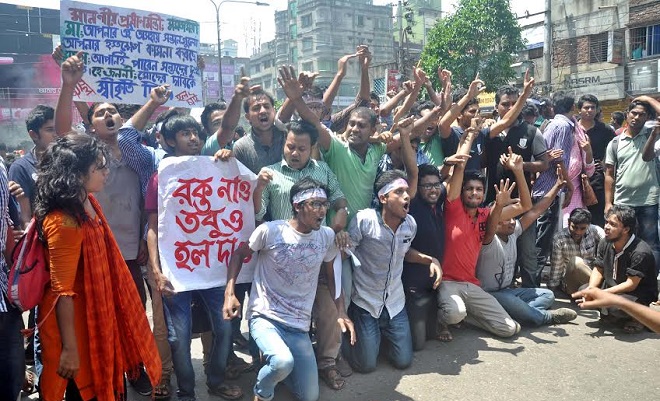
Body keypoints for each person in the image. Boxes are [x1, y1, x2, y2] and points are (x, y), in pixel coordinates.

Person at [34, 134, 161, 401]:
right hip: (73, 333)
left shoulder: (88, 203)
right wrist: (69, 349)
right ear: (78, 174)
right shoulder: (63, 222)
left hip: (97, 320)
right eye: (99, 167)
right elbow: (62, 292)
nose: (106, 172)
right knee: (82, 392)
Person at [224, 177, 355, 401]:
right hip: (266, 317)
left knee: (309, 396)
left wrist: (340, 311)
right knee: (283, 362)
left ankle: (277, 365)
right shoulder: (270, 231)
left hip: (298, 326)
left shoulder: (326, 236)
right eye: (315, 204)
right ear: (297, 205)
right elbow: (238, 254)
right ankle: (262, 391)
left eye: (324, 204)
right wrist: (230, 294)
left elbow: (333, 276)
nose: (322, 210)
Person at [146, 115, 243, 401]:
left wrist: (227, 158)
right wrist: (156, 269)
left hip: (212, 268)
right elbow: (152, 228)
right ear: (170, 140)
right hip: (177, 270)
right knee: (179, 337)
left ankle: (215, 380)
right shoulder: (160, 176)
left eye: (195, 133)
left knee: (225, 327)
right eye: (185, 134)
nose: (193, 139)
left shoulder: (215, 167)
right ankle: (186, 391)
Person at [251, 120, 350, 390]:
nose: (294, 153)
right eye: (290, 146)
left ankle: (327, 362)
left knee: (329, 307)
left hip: (317, 252)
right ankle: (277, 364)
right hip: (281, 259)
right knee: (281, 317)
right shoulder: (270, 174)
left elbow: (341, 203)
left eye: (302, 149)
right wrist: (259, 188)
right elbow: (259, 215)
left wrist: (334, 230)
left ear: (312, 148)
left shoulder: (324, 171)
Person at [342, 170, 442, 373]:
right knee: (367, 365)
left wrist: (430, 260)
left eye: (407, 191)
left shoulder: (410, 225)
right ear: (383, 198)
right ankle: (345, 344)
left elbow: (404, 252)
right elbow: (345, 257)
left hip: (395, 303)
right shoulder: (365, 221)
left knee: (404, 361)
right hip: (366, 302)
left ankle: (377, 339)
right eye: (399, 191)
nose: (407, 196)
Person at [438, 133, 532, 341]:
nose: (474, 193)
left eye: (479, 190)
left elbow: (526, 206)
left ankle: (467, 317)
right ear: (461, 193)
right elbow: (460, 168)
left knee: (509, 329)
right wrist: (470, 137)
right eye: (469, 189)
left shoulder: (487, 215)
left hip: (471, 284)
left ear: (484, 194)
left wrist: (518, 171)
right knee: (454, 312)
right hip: (447, 282)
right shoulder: (453, 209)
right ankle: (441, 320)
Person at [477, 167, 577, 327]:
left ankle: (522, 314)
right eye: (505, 219)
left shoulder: (514, 231)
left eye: (512, 218)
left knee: (547, 294)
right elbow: (491, 221)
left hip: (508, 291)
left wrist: (557, 186)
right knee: (510, 301)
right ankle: (545, 318)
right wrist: (499, 204)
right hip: (489, 294)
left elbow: (536, 210)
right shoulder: (488, 238)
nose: (511, 222)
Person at [585, 205, 659, 333]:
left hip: (636, 293)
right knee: (583, 290)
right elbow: (598, 269)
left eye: (613, 224)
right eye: (606, 222)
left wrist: (603, 294)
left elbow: (631, 285)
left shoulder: (640, 251)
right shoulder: (605, 242)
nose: (606, 227)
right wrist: (591, 289)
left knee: (614, 307)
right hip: (614, 286)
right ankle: (614, 316)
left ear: (626, 229)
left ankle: (638, 317)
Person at [608, 97, 660, 274]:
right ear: (626, 114)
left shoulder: (651, 136)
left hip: (648, 201)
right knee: (621, 243)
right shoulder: (615, 143)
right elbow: (609, 175)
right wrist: (608, 203)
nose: (637, 117)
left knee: (651, 244)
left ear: (647, 118)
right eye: (634, 113)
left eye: (642, 115)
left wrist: (646, 98)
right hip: (623, 202)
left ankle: (650, 285)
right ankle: (624, 281)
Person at [532, 91, 577, 282]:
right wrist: (568, 186)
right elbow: (559, 159)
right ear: (573, 109)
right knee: (543, 237)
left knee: (540, 234)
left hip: (542, 186)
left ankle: (534, 276)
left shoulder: (550, 124)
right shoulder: (563, 126)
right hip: (550, 187)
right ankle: (534, 279)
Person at [8, 105, 56, 227]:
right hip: (42, 238)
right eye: (50, 129)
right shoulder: (21, 168)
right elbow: (24, 216)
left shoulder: (69, 161)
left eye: (58, 129)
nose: (56, 134)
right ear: (33, 135)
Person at [576, 95, 614, 227]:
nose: (590, 110)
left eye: (593, 107)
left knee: (597, 216)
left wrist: (604, 165)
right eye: (586, 107)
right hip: (574, 178)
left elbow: (614, 152)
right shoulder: (571, 128)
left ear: (597, 110)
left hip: (596, 177)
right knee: (576, 215)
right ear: (579, 110)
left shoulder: (605, 130)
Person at [548, 208, 605, 295]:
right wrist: (552, 290)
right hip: (571, 282)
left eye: (582, 229)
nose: (577, 232)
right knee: (576, 262)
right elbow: (557, 266)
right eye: (574, 227)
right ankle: (602, 289)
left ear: (588, 225)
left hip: (591, 277)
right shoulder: (559, 238)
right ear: (568, 222)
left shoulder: (595, 231)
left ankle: (596, 290)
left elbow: (608, 244)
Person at [573, 287, 660, 333]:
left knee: (616, 307)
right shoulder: (608, 252)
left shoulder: (640, 254)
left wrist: (616, 300)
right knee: (584, 288)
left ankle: (636, 320)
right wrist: (591, 289)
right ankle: (612, 316)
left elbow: (631, 284)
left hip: (637, 295)